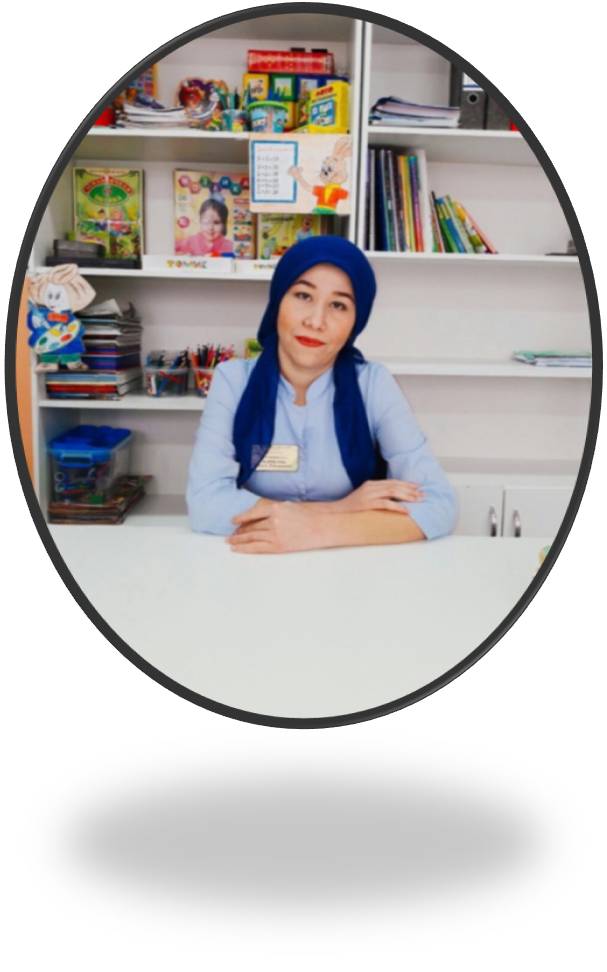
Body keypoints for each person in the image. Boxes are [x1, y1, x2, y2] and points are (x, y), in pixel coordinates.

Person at [186, 236, 457, 553]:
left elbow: (439, 505)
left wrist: (318, 529)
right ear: (278, 302)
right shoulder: (233, 381)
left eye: (338, 305)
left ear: (356, 322)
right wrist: (341, 509)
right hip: (256, 561)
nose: (315, 321)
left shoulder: (373, 384)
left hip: (352, 564)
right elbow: (205, 504)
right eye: (303, 295)